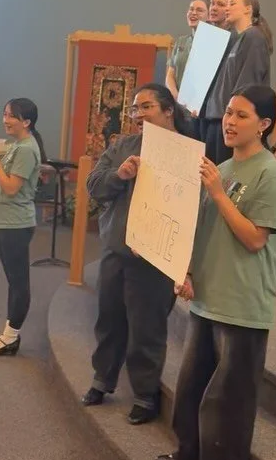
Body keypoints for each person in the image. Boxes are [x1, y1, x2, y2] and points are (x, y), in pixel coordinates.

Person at [157, 85, 276, 460]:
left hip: (242, 300)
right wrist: (188, 270)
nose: (229, 122)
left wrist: (216, 191)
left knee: (230, 396)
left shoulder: (269, 173)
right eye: (228, 113)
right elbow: (206, 230)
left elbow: (253, 239)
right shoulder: (225, 168)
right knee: (193, 383)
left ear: (264, 125)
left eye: (241, 116)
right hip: (209, 294)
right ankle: (191, 451)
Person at [82, 84, 194, 423]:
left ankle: (146, 395)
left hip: (156, 257)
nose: (138, 114)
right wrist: (120, 174)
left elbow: (193, 211)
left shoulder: (188, 155)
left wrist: (186, 266)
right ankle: (103, 380)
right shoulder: (123, 148)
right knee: (109, 320)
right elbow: (94, 185)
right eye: (134, 109)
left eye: (146, 106)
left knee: (147, 328)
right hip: (117, 249)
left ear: (168, 110)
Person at [0, 98, 45, 356]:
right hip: (8, 223)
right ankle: (10, 335)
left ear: (26, 122)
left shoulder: (27, 149)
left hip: (17, 226)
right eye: (4, 114)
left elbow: (10, 187)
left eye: (11, 116)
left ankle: (10, 336)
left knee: (18, 283)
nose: (5, 120)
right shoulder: (18, 145)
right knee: (13, 281)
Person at [199, 0, 272, 165]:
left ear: (248, 9)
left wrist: (233, 116)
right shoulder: (238, 39)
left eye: (232, 4)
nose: (227, 8)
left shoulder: (254, 37)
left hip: (229, 122)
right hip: (217, 118)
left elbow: (248, 85)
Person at [165, 0, 210, 100]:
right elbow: (170, 74)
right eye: (191, 9)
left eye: (199, 10)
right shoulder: (181, 41)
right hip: (177, 102)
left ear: (209, 16)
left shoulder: (213, 43)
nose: (193, 13)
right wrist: (175, 94)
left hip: (199, 104)